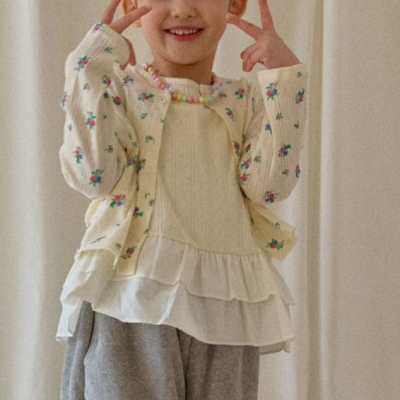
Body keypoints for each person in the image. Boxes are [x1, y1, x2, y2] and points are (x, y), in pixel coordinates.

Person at [58, 0, 307, 398]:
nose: (182, 8)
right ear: (132, 5)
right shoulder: (120, 90)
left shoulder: (245, 101)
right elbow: (95, 175)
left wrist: (286, 79)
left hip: (226, 303)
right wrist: (86, 68)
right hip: (130, 296)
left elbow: (270, 187)